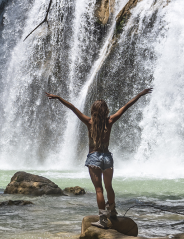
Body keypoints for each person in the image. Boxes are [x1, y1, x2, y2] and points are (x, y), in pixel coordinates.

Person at [45, 88, 152, 228]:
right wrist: (139, 94)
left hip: (94, 157)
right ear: (106, 110)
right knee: (109, 187)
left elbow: (72, 107)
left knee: (99, 190)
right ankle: (112, 212)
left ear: (93, 111)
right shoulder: (111, 120)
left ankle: (102, 219)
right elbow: (126, 106)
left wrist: (58, 97)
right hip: (107, 157)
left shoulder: (89, 122)